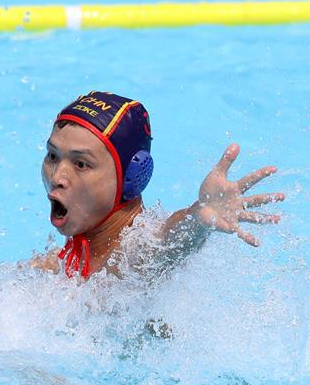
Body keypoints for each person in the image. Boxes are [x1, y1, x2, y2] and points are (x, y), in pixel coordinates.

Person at [33, 91, 286, 278]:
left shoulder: (134, 255)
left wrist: (197, 218)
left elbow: (164, 244)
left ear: (131, 176)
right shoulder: (62, 263)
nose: (57, 177)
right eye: (53, 156)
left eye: (81, 164)